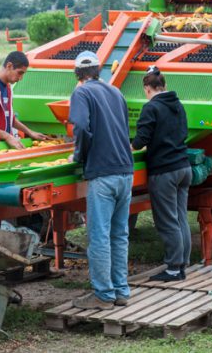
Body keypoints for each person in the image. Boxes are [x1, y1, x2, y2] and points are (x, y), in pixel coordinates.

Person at [68, 51, 134, 311]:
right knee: (119, 235)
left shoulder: (81, 93)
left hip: (102, 174)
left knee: (99, 236)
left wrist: (79, 154)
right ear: (99, 70)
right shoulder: (116, 92)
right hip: (125, 172)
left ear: (77, 75)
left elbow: (81, 127)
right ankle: (121, 291)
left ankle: (103, 295)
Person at [131, 65, 192, 282]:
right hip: (184, 167)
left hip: (164, 171)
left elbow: (140, 141)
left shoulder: (152, 108)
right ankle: (183, 263)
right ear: (163, 85)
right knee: (180, 217)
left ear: (148, 88)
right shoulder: (178, 104)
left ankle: (174, 269)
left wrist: (126, 147)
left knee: (167, 221)